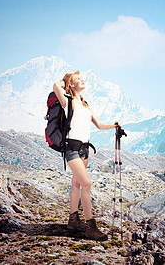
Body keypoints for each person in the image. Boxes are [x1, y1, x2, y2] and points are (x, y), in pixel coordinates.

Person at [53, 71, 120, 241]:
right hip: (71, 148)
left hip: (84, 150)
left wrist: (114, 126)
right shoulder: (67, 102)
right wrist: (65, 82)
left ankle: (73, 219)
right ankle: (91, 226)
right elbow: (55, 87)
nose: (82, 80)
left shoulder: (85, 105)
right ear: (72, 85)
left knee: (76, 184)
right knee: (86, 184)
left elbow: (98, 125)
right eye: (78, 79)